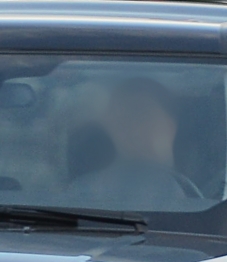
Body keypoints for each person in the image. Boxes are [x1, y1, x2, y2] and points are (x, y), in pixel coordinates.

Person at [68, 78, 206, 209]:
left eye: (141, 114)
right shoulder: (85, 192)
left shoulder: (210, 195)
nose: (129, 127)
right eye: (118, 117)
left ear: (171, 123)